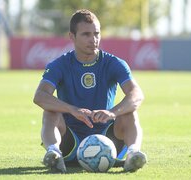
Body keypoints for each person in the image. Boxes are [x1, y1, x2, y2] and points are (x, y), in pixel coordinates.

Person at [33, 9, 147, 173]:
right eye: (86, 34)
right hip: (69, 139)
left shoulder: (114, 63)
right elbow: (40, 96)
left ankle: (133, 154)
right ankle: (54, 153)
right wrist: (72, 110)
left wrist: (112, 113)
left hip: (109, 139)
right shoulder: (59, 64)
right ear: (72, 36)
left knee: (130, 112)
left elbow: (137, 94)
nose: (93, 39)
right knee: (50, 111)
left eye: (97, 34)